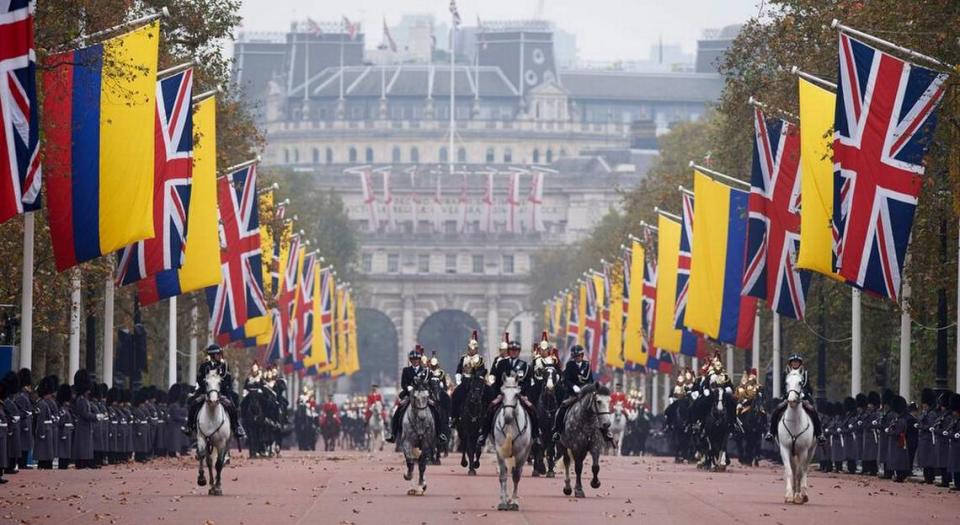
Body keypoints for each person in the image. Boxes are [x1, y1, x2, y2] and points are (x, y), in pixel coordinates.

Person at [477, 337, 537, 448]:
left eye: (516, 350)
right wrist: (498, 394)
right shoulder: (501, 364)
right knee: (490, 409)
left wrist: (523, 395)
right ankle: (484, 435)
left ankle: (536, 436)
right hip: (504, 395)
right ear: (508, 351)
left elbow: (528, 382)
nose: (513, 352)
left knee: (533, 410)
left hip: (519, 395)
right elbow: (496, 381)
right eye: (511, 350)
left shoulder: (525, 366)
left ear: (518, 352)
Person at [552, 345, 613, 443]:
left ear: (582, 355)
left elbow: (590, 380)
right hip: (573, 394)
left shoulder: (587, 365)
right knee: (562, 409)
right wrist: (573, 387)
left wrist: (592, 389)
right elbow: (566, 379)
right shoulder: (569, 365)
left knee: (598, 407)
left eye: (579, 356)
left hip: (585, 394)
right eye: (575, 356)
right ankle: (557, 431)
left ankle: (605, 431)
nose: (578, 358)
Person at [182, 344, 245, 439]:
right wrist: (207, 388)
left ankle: (236, 427)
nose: (220, 356)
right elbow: (199, 379)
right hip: (206, 391)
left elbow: (227, 379)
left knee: (232, 406)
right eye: (218, 354)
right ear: (213, 355)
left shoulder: (224, 366)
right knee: (193, 404)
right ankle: (189, 426)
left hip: (221, 392)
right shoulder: (204, 366)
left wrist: (218, 388)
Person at [386, 350, 443, 444]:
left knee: (435, 411)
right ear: (410, 360)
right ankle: (393, 434)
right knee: (398, 411)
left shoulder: (426, 371)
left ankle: (440, 433)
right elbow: (403, 383)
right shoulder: (406, 370)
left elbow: (431, 382)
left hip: (423, 397)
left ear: (419, 360)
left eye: (416, 359)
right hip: (410, 395)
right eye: (413, 359)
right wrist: (408, 388)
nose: (415, 361)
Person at [765, 354, 823, 443]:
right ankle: (771, 432)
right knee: (777, 411)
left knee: (813, 412)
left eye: (797, 362)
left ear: (800, 363)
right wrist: (786, 395)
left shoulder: (805, 373)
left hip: (802, 398)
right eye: (793, 362)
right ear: (790, 363)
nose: (795, 363)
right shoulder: (786, 373)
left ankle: (819, 434)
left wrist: (804, 394)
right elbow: (783, 387)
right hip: (789, 397)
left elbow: (808, 387)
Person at [451, 330, 487, 427]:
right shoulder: (463, 358)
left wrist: (478, 377)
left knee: (487, 395)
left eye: (474, 349)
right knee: (455, 395)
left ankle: (486, 418)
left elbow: (482, 371)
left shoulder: (480, 359)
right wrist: (458, 380)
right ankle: (454, 417)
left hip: (475, 383)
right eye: (470, 349)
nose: (472, 351)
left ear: (476, 349)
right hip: (464, 382)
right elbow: (459, 370)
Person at [33, 376, 58, 470]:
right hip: (44, 431)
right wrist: (42, 433)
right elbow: (40, 420)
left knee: (47, 454)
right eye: (49, 393)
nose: (50, 395)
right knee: (43, 454)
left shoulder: (46, 403)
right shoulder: (42, 404)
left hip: (48, 430)